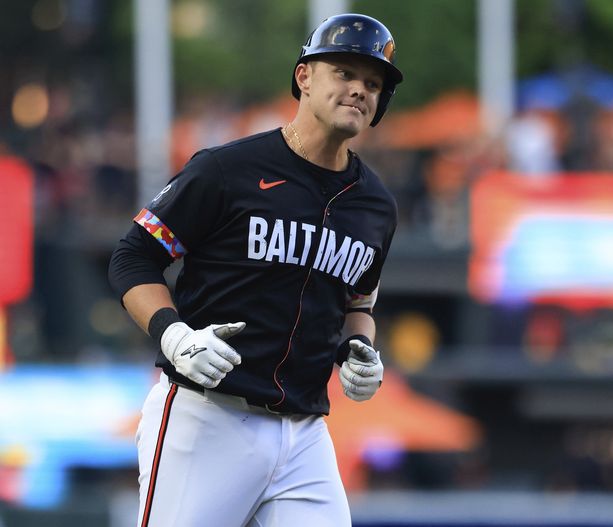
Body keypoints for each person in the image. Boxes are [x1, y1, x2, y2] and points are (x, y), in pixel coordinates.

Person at [108, 13, 402, 527]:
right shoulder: (228, 169)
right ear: (304, 77)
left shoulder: (376, 205)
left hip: (306, 432)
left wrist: (361, 347)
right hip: (208, 416)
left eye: (373, 83)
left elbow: (360, 299)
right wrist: (172, 334)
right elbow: (133, 255)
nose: (360, 90)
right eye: (345, 74)